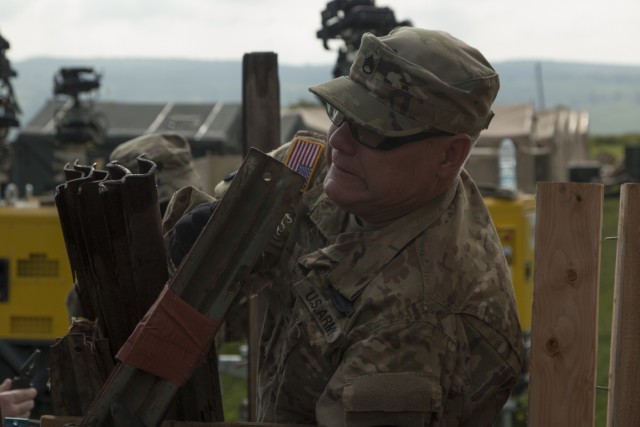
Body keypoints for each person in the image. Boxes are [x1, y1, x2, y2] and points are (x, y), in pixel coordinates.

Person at [164, 26, 524, 426]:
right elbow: (237, 239)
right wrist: (204, 234)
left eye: (372, 129)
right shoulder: (342, 171)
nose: (338, 140)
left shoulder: (425, 320)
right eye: (341, 112)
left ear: (449, 155)